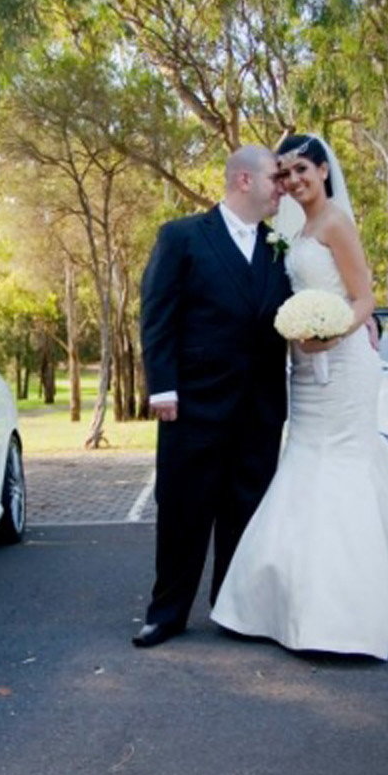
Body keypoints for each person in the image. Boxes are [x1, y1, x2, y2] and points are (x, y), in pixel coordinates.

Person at [209, 134, 388, 659]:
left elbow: (364, 295)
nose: (293, 180)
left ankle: (352, 615)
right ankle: (286, 608)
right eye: (284, 173)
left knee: (343, 467)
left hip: (345, 364)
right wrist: (307, 336)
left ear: (324, 170)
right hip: (305, 370)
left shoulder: (335, 223)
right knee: (305, 463)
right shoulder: (292, 230)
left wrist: (340, 330)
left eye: (302, 169)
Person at [133, 145, 293, 648]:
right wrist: (161, 387)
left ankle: (233, 608)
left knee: (245, 509)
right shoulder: (182, 236)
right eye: (275, 177)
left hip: (260, 405)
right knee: (183, 508)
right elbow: (157, 315)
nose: (282, 187)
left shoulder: (279, 245)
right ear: (243, 180)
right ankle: (167, 613)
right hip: (193, 404)